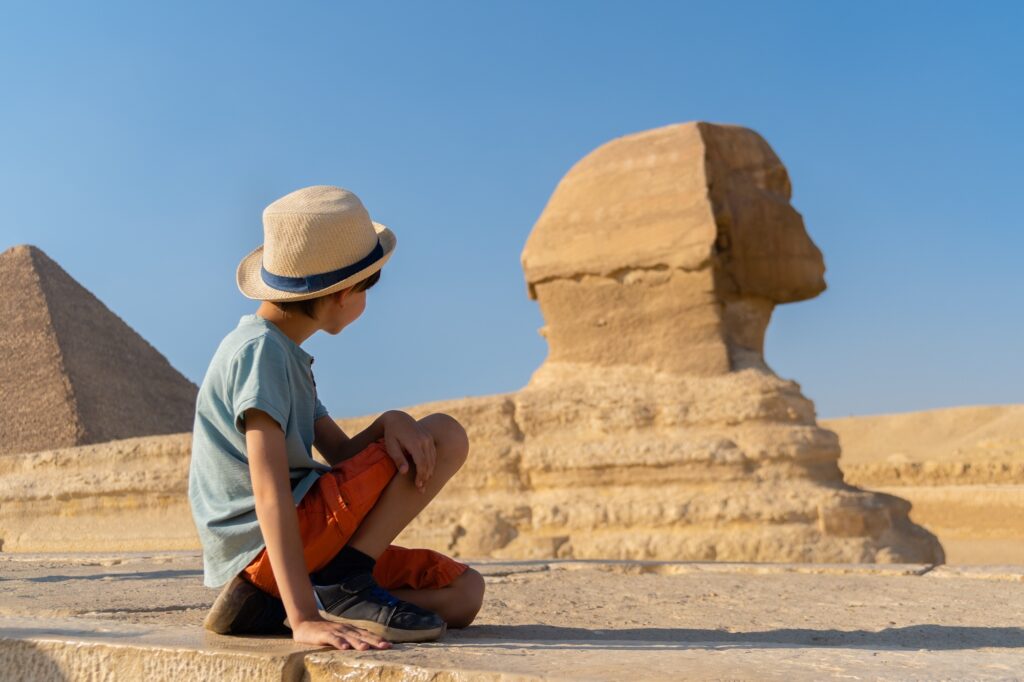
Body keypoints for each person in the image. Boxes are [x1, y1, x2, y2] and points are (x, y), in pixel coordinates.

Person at [188, 185, 485, 651]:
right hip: (267, 549)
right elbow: (269, 490)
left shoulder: (286, 355)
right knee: (446, 434)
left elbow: (344, 454)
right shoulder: (260, 353)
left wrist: (390, 421)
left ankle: (318, 593)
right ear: (345, 293)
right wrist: (303, 617)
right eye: (369, 287)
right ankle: (332, 587)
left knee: (465, 595)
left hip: (308, 545)